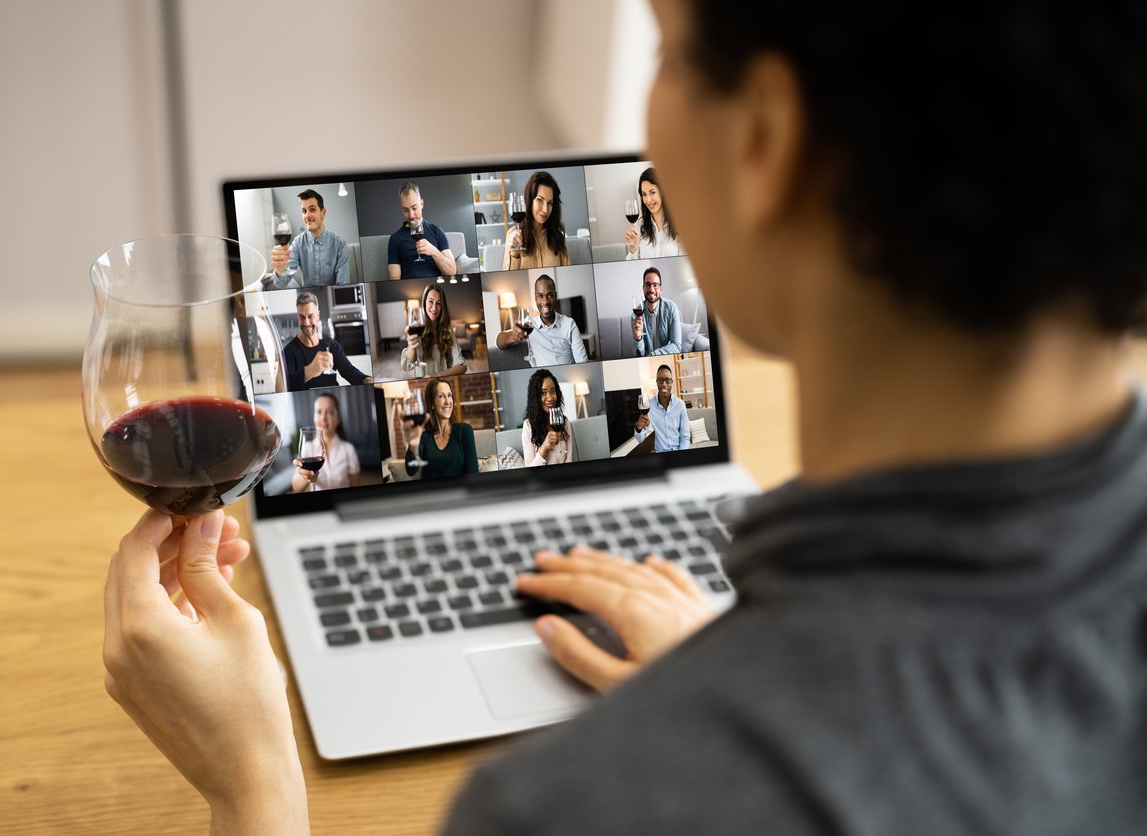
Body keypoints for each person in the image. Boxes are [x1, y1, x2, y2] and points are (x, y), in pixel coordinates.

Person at [102, 2, 1147, 833]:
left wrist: (253, 793)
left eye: (665, 45)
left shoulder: (573, 810)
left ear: (767, 137)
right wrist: (737, 656)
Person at [281, 292, 372, 390]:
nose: (306, 323)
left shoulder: (331, 345)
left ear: (318, 316)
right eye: (302, 317)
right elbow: (287, 383)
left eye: (310, 316)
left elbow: (349, 372)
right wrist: (311, 369)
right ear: (298, 317)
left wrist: (365, 379)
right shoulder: (289, 351)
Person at [495, 274, 589, 366]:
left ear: (555, 296)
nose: (545, 302)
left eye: (550, 295)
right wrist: (513, 336)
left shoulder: (569, 324)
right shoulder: (529, 324)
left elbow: (582, 362)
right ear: (535, 298)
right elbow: (498, 342)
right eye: (540, 296)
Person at [265, 189, 352, 287]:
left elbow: (343, 286)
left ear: (323, 212)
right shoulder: (297, 243)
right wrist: (279, 270)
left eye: (312, 209)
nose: (307, 215)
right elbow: (281, 283)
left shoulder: (340, 245)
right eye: (304, 211)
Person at [403, 378, 479, 479]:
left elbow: (473, 473)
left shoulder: (464, 431)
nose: (448, 402)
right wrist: (413, 445)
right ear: (432, 404)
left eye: (449, 395)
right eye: (441, 396)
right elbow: (411, 471)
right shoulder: (424, 436)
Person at [291, 392, 361, 492]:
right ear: (314, 417)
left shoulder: (349, 449)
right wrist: (306, 476)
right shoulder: (307, 447)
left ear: (338, 419)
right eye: (319, 412)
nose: (323, 418)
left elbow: (356, 486)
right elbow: (296, 488)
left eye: (330, 412)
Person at [387, 181, 456, 279]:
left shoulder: (437, 231)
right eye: (406, 210)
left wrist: (433, 251)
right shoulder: (395, 239)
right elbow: (394, 278)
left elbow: (452, 271)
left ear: (422, 204)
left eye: (414, 208)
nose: (411, 215)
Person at [505, 171, 572, 270]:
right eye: (540, 200)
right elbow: (508, 279)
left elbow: (568, 272)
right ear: (529, 200)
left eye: (550, 203)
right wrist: (514, 254)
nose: (545, 209)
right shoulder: (512, 235)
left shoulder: (558, 237)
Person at [401, 284, 466, 377]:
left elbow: (462, 366)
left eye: (438, 303)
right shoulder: (418, 327)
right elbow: (410, 363)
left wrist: (436, 375)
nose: (434, 308)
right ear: (424, 302)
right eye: (431, 301)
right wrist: (411, 347)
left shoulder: (447, 330)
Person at [521, 368, 576, 467]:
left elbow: (568, 458)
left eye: (553, 392)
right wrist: (544, 448)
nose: (550, 398)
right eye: (543, 393)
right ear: (535, 397)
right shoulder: (528, 426)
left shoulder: (565, 422)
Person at [624, 167, 681, 259]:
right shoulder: (639, 225)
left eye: (652, 192)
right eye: (644, 194)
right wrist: (633, 249)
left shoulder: (680, 226)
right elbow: (632, 266)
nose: (648, 200)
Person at [633, 364, 689, 452]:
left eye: (668, 380)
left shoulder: (680, 405)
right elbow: (640, 439)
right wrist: (638, 427)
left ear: (672, 382)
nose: (664, 384)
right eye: (660, 380)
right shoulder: (649, 406)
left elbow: (685, 437)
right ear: (656, 382)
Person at [632, 266, 681, 356]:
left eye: (655, 285)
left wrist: (653, 355)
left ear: (661, 289)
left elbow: (676, 346)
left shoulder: (671, 308)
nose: (651, 289)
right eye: (648, 285)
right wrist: (638, 338)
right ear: (643, 288)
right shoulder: (635, 315)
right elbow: (638, 355)